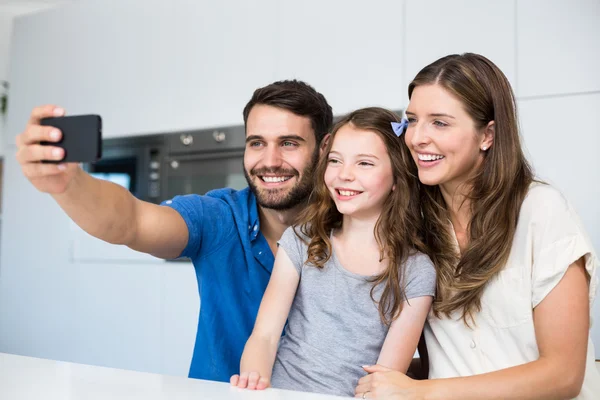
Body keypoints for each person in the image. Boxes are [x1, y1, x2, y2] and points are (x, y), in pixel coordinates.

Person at [14, 80, 333, 382]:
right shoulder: (220, 218)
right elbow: (132, 221)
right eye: (257, 143)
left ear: (323, 149)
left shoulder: (355, 230)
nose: (270, 161)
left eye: (289, 143)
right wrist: (68, 184)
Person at [354, 53, 600, 399]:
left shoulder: (541, 212)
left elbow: (563, 374)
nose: (417, 138)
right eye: (412, 120)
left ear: (487, 134)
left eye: (439, 123)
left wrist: (421, 393)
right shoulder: (415, 223)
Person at [229, 107, 437, 397]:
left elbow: (386, 377)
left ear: (397, 179)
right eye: (335, 161)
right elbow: (265, 335)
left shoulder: (416, 271)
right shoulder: (302, 241)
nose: (344, 175)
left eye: (364, 163)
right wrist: (254, 381)